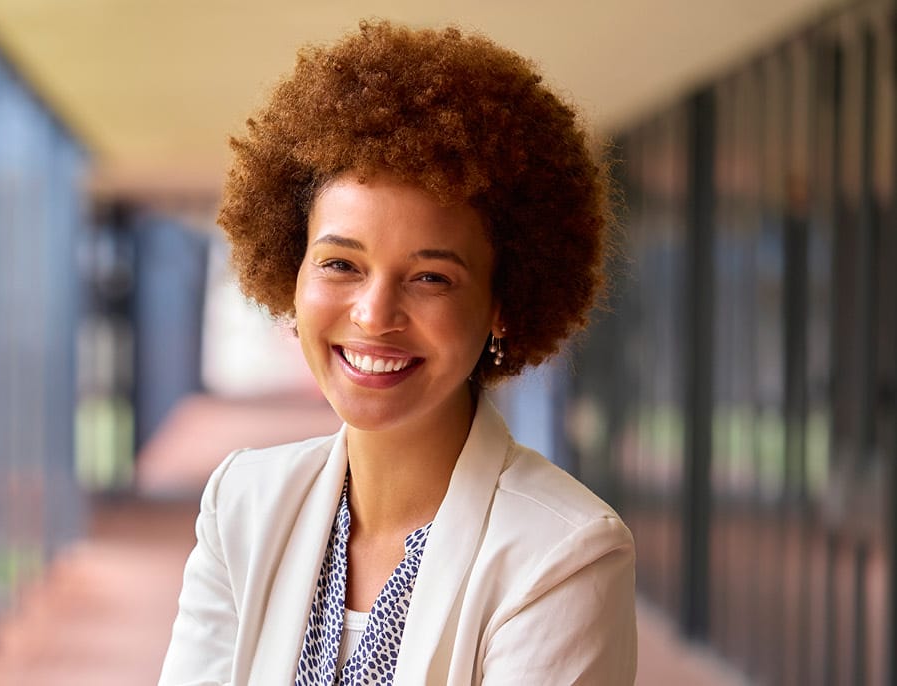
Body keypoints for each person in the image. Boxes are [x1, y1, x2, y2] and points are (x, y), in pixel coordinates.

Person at [159, 21, 635, 685]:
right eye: (340, 264)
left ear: (503, 300)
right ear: (291, 274)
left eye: (431, 277)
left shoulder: (563, 554)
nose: (374, 314)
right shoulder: (242, 503)